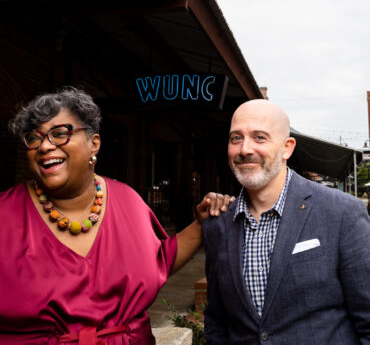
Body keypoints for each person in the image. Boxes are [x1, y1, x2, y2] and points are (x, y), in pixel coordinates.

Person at [0, 86, 232, 344]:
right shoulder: (5, 216)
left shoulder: (127, 201)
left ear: (93, 144)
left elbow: (157, 261)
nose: (44, 146)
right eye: (33, 138)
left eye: (59, 134)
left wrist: (202, 224)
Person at [203, 99, 370, 344]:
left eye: (259, 137)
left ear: (287, 148)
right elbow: (217, 321)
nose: (245, 149)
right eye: (236, 138)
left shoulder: (342, 213)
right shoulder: (217, 224)